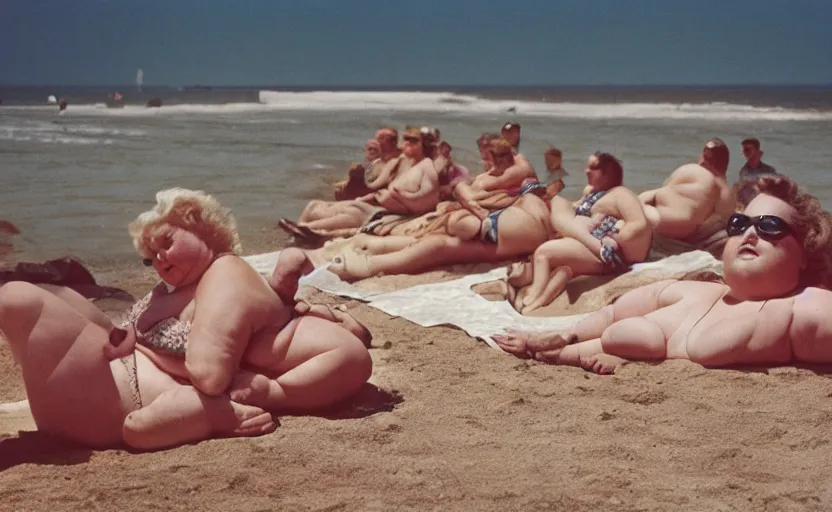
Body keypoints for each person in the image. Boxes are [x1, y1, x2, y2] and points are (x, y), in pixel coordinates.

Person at [0, 188, 372, 450]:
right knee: (57, 295)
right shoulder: (175, 289)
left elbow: (209, 373)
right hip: (102, 383)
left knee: (17, 297)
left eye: (167, 243)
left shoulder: (225, 275)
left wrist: (147, 348)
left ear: (200, 225)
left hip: (113, 400)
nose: (159, 259)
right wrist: (129, 333)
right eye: (150, 257)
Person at [493, 175, 832, 375]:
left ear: (805, 253)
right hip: (645, 332)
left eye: (770, 226)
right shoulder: (693, 292)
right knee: (619, 326)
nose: (749, 234)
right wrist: (556, 340)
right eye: (740, 224)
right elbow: (613, 314)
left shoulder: (802, 307)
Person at [506, 152, 651, 314]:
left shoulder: (620, 194)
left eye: (594, 168)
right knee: (562, 269)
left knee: (543, 253)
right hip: (588, 244)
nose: (587, 171)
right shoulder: (593, 192)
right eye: (587, 167)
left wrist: (614, 238)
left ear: (609, 172)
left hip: (605, 254)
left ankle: (533, 295)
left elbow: (638, 224)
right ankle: (536, 303)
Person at [638, 138, 735, 243]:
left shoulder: (697, 172)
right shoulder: (728, 194)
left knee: (638, 203)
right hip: (689, 230)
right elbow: (714, 221)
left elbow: (662, 189)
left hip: (666, 219)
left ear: (705, 157)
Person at [737, 138, 777, 205]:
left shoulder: (770, 170)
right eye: (744, 150)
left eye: (747, 149)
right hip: (748, 206)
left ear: (757, 151)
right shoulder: (743, 171)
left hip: (765, 205)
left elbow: (775, 192)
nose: (745, 152)